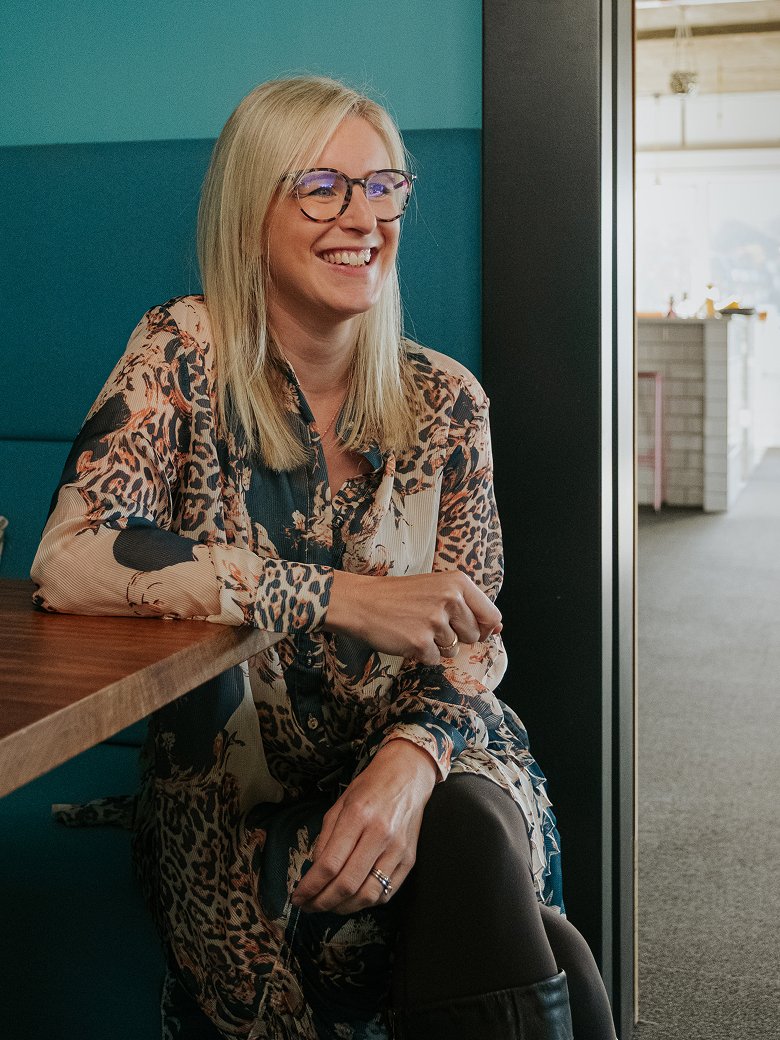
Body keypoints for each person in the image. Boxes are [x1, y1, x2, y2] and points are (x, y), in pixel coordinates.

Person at [31, 76, 616, 1040]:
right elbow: (73, 556)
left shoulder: (447, 401)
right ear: (249, 208)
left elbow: (473, 650)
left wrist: (408, 763)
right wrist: (330, 595)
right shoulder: (182, 350)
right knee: (524, 944)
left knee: (467, 830)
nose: (364, 217)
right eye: (322, 188)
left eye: (383, 186)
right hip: (239, 794)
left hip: (438, 754)